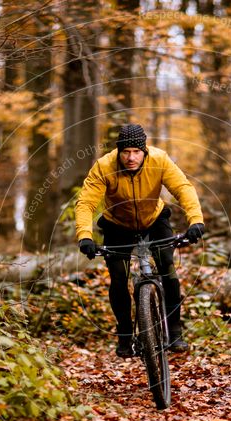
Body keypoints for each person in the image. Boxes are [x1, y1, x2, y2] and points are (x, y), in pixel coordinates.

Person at [74, 124, 205, 358]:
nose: (131, 157)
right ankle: (125, 333)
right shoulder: (104, 166)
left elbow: (183, 188)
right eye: (125, 152)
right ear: (118, 152)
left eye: (136, 151)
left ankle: (174, 331)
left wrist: (195, 220)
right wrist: (85, 236)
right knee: (118, 275)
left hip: (154, 220)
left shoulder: (160, 160)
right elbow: (86, 203)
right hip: (117, 225)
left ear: (144, 151)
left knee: (167, 267)